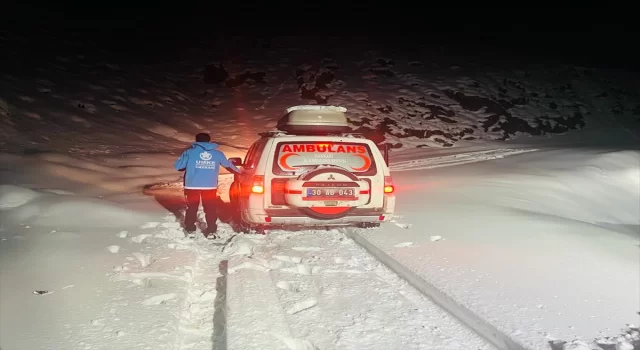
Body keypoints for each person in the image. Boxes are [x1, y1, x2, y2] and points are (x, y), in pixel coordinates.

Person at [174, 133, 241, 237]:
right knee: (210, 208)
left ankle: (190, 229)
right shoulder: (218, 154)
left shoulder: (189, 152)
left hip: (192, 185)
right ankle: (211, 230)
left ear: (197, 141)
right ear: (209, 141)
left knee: (192, 207)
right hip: (209, 186)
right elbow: (229, 166)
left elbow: (179, 167)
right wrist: (240, 173)